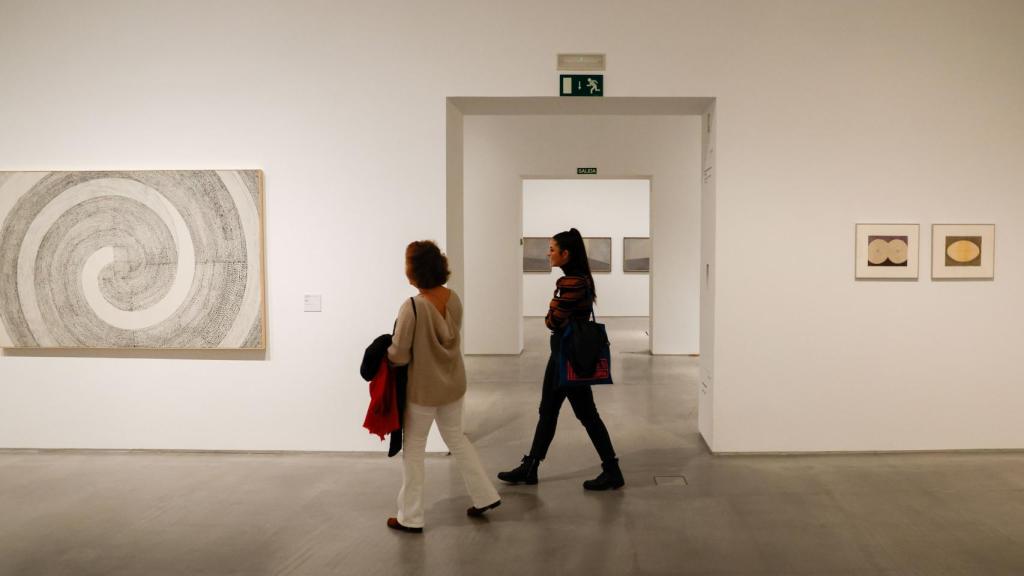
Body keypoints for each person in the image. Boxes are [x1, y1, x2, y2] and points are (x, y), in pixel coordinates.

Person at [385, 240, 501, 533]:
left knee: (413, 450)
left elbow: (399, 355)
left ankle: (410, 517)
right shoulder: (454, 299)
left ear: (416, 269)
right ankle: (485, 495)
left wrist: (383, 353)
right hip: (452, 386)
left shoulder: (412, 307)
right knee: (458, 440)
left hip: (423, 392)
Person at [498, 228, 624, 491]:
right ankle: (531, 466)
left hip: (567, 354)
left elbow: (552, 321)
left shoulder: (571, 283)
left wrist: (552, 309)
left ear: (566, 254)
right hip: (564, 353)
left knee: (584, 414)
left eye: (552, 249)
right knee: (549, 411)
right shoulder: (580, 279)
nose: (548, 253)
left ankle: (612, 470)